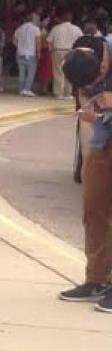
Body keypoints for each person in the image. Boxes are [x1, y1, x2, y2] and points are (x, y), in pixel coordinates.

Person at [58, 36, 112, 312]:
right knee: (93, 208)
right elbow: (84, 98)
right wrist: (89, 107)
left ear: (103, 62)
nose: (94, 84)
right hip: (103, 141)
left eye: (98, 77)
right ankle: (96, 279)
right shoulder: (81, 56)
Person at [49, 11, 83, 100]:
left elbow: (49, 41)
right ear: (71, 19)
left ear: (61, 19)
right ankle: (68, 93)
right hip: (71, 51)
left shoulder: (56, 28)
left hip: (58, 51)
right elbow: (81, 41)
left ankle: (59, 93)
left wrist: (51, 51)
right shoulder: (77, 29)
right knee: (69, 72)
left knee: (58, 72)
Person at [13, 12, 41, 96]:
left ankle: (21, 89)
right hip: (30, 54)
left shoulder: (19, 29)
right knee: (30, 73)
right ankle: (27, 89)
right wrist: (38, 52)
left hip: (20, 53)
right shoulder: (36, 29)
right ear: (32, 19)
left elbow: (14, 40)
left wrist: (19, 46)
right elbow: (38, 42)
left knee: (21, 72)